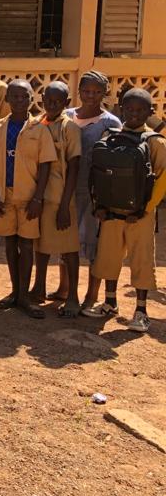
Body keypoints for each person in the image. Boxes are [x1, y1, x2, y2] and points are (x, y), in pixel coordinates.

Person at [90, 87, 164, 333]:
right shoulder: (110, 135)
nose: (133, 114)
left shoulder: (155, 142)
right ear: (121, 109)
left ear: (149, 112)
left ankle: (141, 310)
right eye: (129, 109)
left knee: (141, 260)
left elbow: (163, 179)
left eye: (140, 110)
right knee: (109, 257)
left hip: (140, 215)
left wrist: (146, 209)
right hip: (110, 211)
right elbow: (98, 174)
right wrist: (98, 205)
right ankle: (110, 302)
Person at [0, 80, 56, 319]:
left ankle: (25, 296)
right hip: (4, 194)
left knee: (26, 244)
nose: (18, 101)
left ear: (31, 99)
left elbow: (46, 164)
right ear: (7, 100)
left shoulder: (40, 128)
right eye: (14, 97)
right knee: (9, 242)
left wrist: (38, 197)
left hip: (28, 196)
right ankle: (15, 293)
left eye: (23, 97)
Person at [59, 71, 121, 316]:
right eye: (86, 91)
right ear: (79, 92)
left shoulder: (111, 123)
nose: (91, 97)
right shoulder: (65, 117)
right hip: (66, 189)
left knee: (93, 244)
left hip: (95, 193)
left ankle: (91, 295)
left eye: (97, 92)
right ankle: (64, 288)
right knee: (66, 240)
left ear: (104, 94)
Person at [30, 82, 82, 318]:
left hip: (61, 198)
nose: (51, 105)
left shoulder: (69, 128)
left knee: (69, 249)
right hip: (39, 197)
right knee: (40, 246)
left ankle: (72, 296)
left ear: (66, 104)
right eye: (47, 100)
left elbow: (74, 167)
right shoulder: (37, 123)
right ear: (41, 99)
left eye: (57, 102)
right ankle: (38, 287)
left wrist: (64, 206)